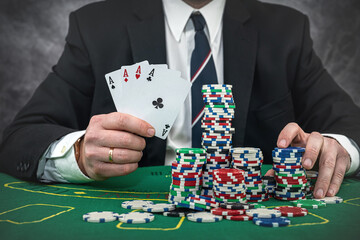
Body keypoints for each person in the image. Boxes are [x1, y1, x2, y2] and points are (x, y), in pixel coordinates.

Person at [0, 0, 359, 200]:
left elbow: (350, 126)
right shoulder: (95, 26)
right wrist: (77, 153)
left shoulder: (286, 30)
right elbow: (20, 139)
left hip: (239, 209)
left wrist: (334, 146)